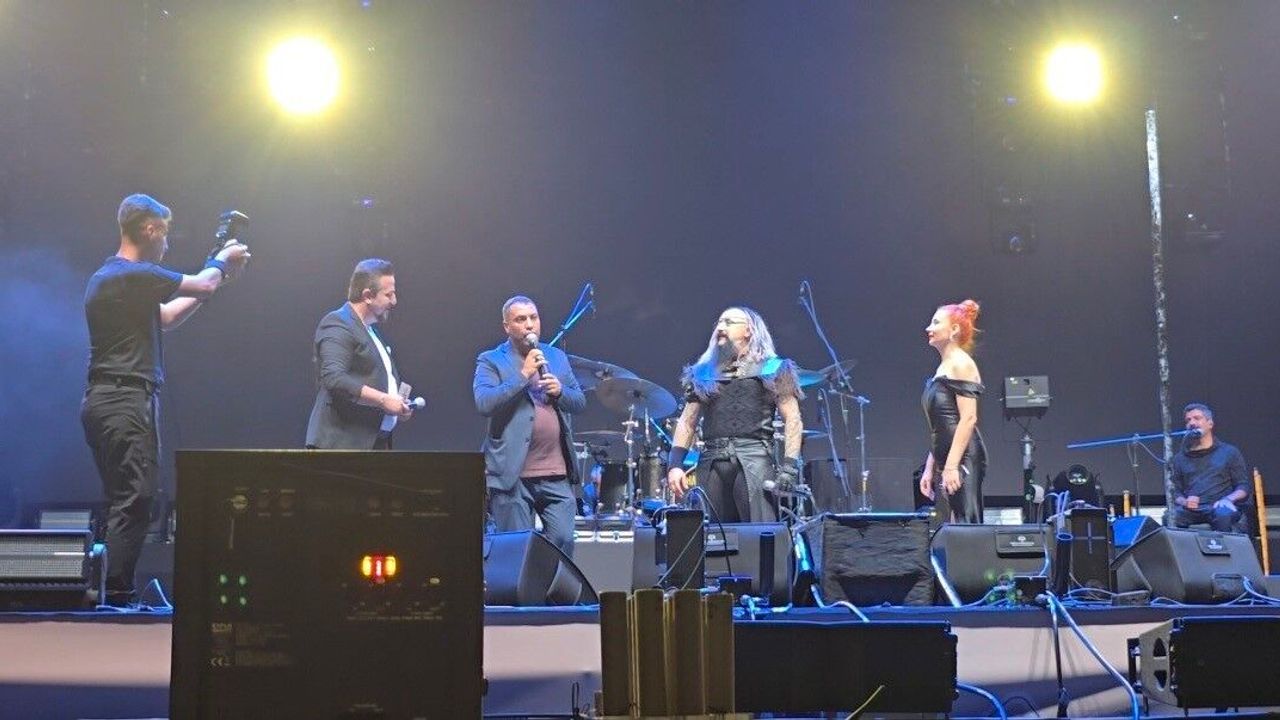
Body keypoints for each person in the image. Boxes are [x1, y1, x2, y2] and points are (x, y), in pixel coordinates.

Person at [81, 193, 250, 607]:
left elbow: (170, 316)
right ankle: (115, 596)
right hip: (124, 397)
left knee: (130, 498)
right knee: (135, 497)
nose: (167, 245)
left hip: (115, 398)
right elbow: (203, 283)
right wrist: (221, 262)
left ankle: (109, 590)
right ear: (150, 229)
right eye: (165, 235)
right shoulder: (130, 274)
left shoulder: (118, 280)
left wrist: (217, 276)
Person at [665, 306, 803, 523]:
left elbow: (793, 419)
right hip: (711, 461)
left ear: (749, 330)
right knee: (712, 534)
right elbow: (687, 422)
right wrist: (675, 465)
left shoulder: (773, 368)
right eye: (719, 322)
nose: (721, 327)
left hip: (754, 458)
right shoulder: (704, 372)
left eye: (729, 322)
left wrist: (789, 467)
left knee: (759, 531)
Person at [474, 296, 586, 557]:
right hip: (512, 474)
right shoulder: (491, 360)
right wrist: (522, 375)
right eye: (520, 319)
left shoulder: (556, 357)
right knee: (517, 551)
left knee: (563, 539)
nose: (529, 325)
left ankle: (553, 586)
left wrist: (560, 391)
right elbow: (484, 403)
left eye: (533, 318)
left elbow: (579, 402)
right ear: (507, 326)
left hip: (555, 471)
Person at [305, 258, 415, 450]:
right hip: (342, 447)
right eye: (388, 294)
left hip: (374, 445)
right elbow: (334, 378)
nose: (394, 301)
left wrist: (398, 406)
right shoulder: (338, 323)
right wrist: (383, 400)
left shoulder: (370, 331)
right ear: (368, 296)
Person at [919, 299, 987, 524]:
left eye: (936, 323)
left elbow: (968, 418)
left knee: (967, 524)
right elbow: (940, 426)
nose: (929, 328)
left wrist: (951, 466)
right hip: (948, 458)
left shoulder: (961, 363)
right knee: (954, 527)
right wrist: (930, 467)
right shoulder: (943, 367)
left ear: (954, 329)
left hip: (963, 457)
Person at [1170, 403, 1249, 532]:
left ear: (1210, 423)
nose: (1192, 423)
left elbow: (1243, 487)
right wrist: (1185, 502)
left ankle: (1222, 546)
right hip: (1193, 509)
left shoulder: (1229, 452)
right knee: (1170, 517)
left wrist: (1227, 499)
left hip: (1219, 506)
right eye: (1188, 420)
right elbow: (1175, 492)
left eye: (1197, 418)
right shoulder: (1179, 458)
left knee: (1222, 515)